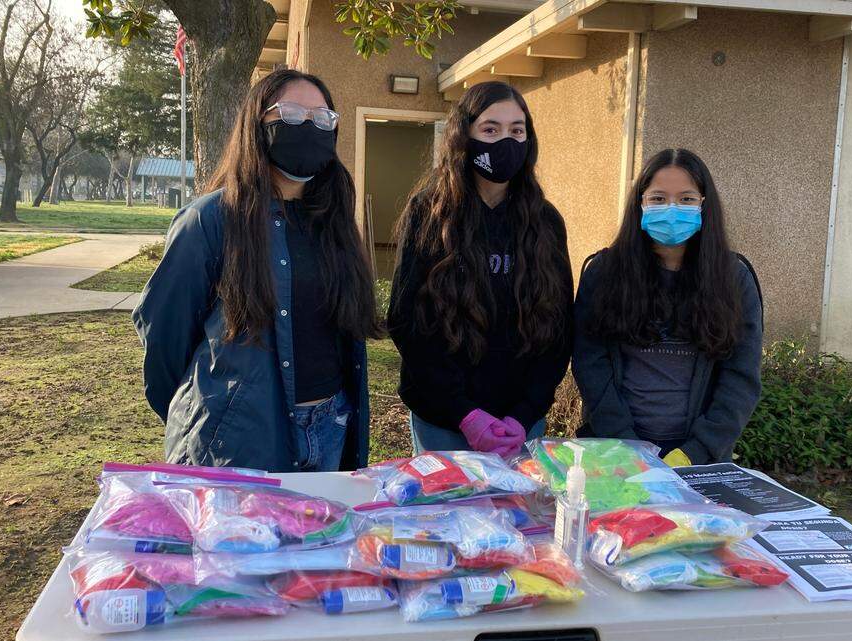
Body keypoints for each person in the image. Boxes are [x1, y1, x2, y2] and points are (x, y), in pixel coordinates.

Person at [133, 69, 380, 473]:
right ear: (257, 124)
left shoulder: (334, 221)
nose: (308, 127)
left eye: (321, 119)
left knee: (320, 537)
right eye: (292, 114)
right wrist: (208, 411)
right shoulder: (210, 220)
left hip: (331, 424)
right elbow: (165, 339)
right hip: (239, 436)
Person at [388, 81, 573, 458]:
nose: (505, 141)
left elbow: (559, 328)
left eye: (516, 130)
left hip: (518, 428)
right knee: (449, 517)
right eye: (490, 129)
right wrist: (465, 414)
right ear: (464, 136)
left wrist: (523, 415)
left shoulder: (545, 221)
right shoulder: (430, 213)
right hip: (443, 422)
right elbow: (406, 320)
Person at [572, 148, 763, 465]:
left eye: (686, 199)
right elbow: (591, 366)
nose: (672, 209)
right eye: (658, 198)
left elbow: (741, 379)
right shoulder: (604, 273)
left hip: (700, 460)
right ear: (640, 203)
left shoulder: (734, 279)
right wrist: (629, 448)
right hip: (614, 454)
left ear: (704, 204)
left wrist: (696, 452)